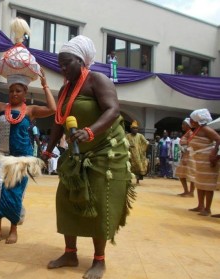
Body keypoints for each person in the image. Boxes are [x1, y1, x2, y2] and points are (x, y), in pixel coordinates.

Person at [42, 35, 134, 279]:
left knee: (98, 203)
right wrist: (48, 149)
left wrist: (91, 131)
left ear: (81, 61)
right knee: (66, 199)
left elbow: (113, 110)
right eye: (60, 64)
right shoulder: (65, 88)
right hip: (75, 154)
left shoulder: (97, 80)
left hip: (105, 152)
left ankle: (99, 260)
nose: (62, 68)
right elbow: (58, 121)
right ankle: (70, 253)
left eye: (67, 63)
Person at [0, 67, 56, 246]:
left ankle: (12, 230)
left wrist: (45, 85)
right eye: (11, 91)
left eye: (18, 91)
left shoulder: (31, 110)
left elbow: (52, 108)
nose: (14, 94)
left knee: (14, 195)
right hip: (1, 157)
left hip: (21, 160)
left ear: (25, 92)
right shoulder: (1, 107)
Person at [187, 109, 220, 216]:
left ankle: (207, 209)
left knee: (208, 185)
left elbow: (218, 139)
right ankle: (200, 205)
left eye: (192, 119)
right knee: (200, 183)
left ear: (197, 120)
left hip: (208, 160)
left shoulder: (206, 129)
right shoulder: (198, 129)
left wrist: (213, 153)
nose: (190, 121)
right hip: (200, 160)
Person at [175, 118, 195, 197]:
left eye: (183, 124)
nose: (182, 126)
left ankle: (191, 192)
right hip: (184, 155)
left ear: (188, 125)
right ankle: (186, 191)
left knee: (191, 175)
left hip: (190, 156)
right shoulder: (186, 133)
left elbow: (191, 145)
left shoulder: (190, 133)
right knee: (181, 174)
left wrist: (186, 154)